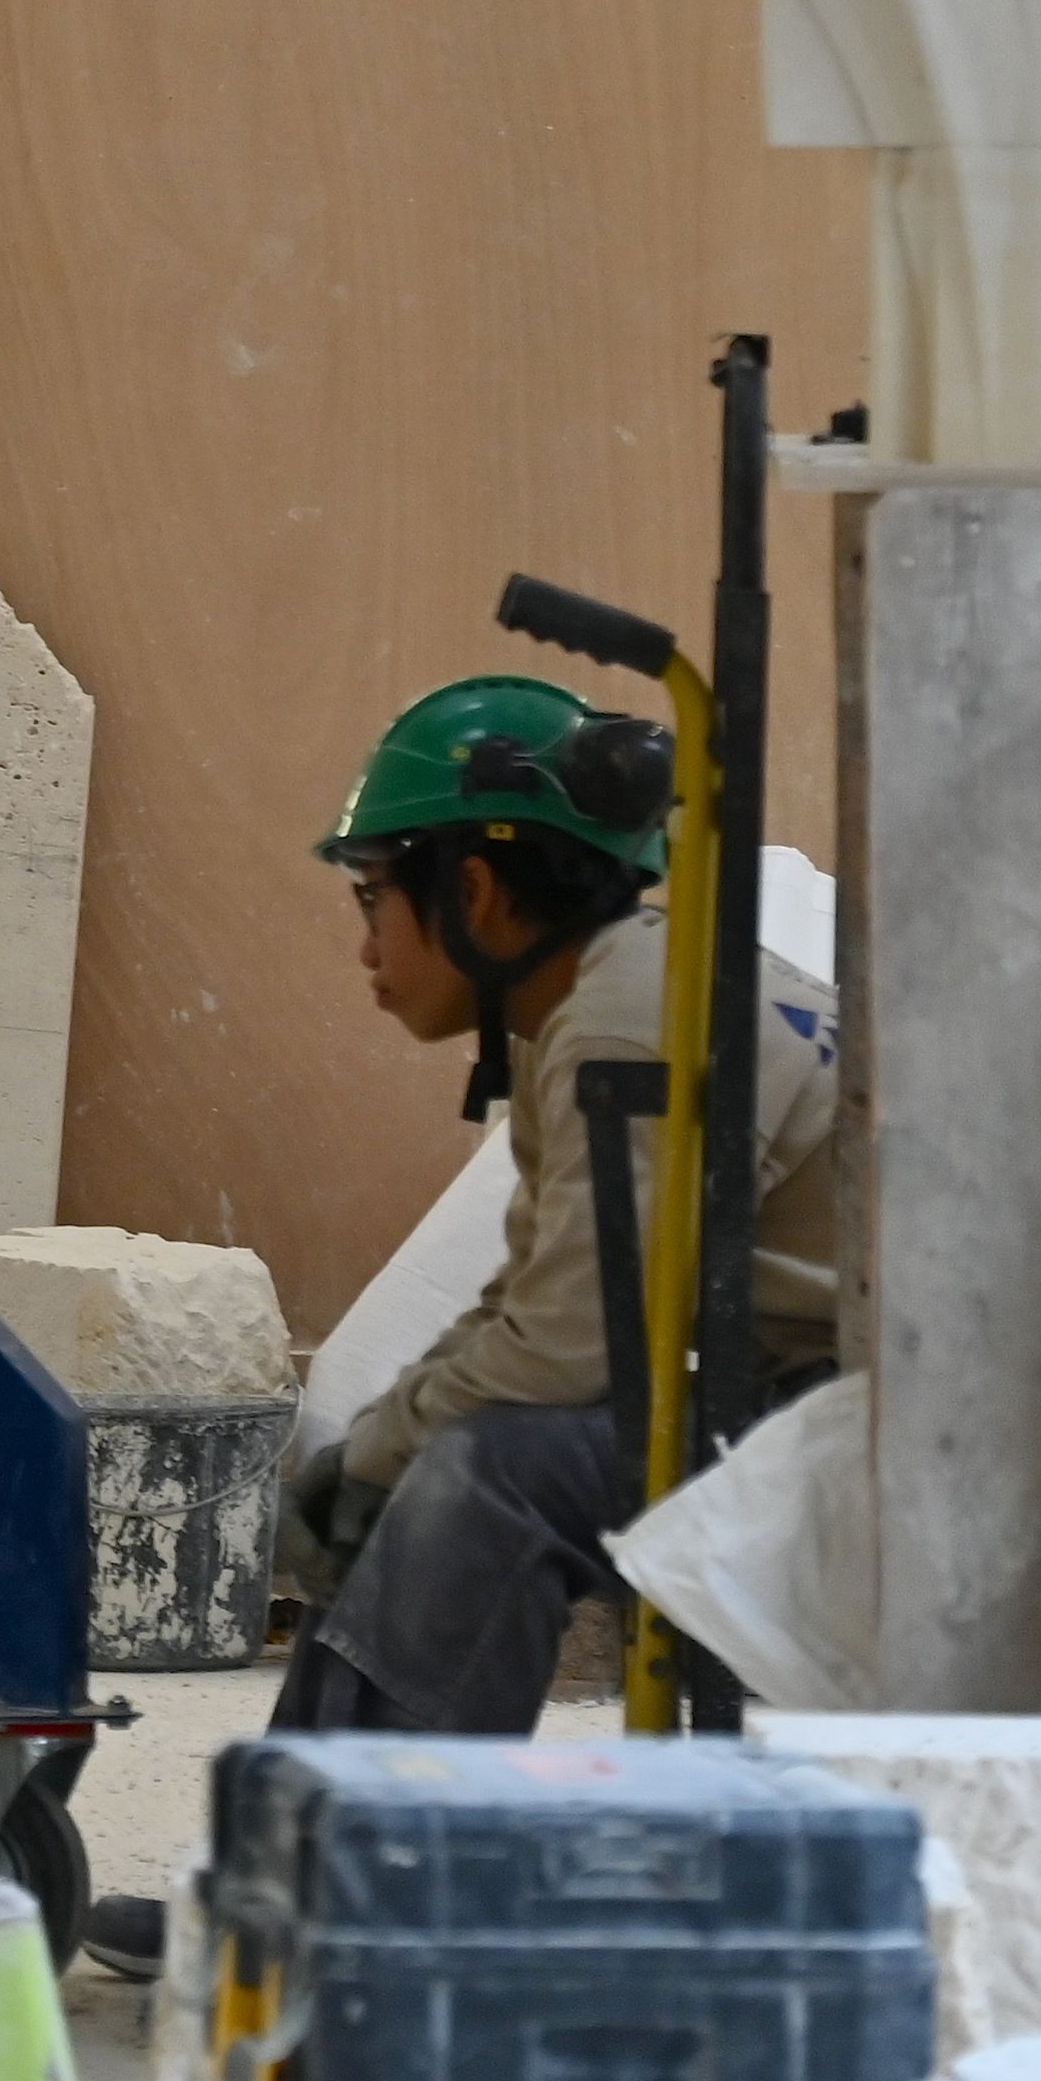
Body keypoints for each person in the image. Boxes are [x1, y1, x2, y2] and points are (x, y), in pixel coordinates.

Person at [268, 673, 847, 1735]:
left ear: (476, 891)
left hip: (858, 1431)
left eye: (370, 897)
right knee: (424, 1458)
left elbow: (567, 1351)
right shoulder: (595, 1001)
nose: (364, 947)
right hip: (800, 1399)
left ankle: (385, 1868)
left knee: (488, 1473)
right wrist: (376, 1446)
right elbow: (534, 1301)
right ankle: (283, 1861)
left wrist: (372, 1451)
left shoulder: (623, 1019)